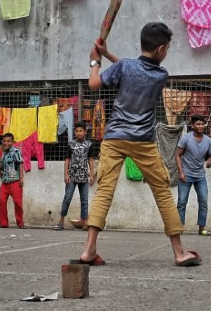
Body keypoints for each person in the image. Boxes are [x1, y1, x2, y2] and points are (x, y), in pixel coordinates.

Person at [78, 22, 201, 267]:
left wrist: (95, 62)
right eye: (167, 48)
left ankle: (89, 249)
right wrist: (106, 55)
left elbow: (95, 83)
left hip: (114, 138)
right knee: (163, 191)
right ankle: (179, 252)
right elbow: (132, 68)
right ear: (160, 49)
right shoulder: (161, 75)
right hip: (143, 142)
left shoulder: (125, 66)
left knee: (104, 191)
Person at [176, 115, 211, 236]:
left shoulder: (208, 140)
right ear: (192, 126)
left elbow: (210, 155)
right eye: (198, 124)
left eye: (202, 124)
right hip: (186, 174)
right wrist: (181, 172)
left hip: (200, 175)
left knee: (203, 201)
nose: (201, 126)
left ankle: (201, 228)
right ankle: (179, 227)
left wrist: (209, 160)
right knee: (182, 201)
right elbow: (177, 155)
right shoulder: (185, 139)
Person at [54, 121, 96, 231]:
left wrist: (92, 174)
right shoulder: (71, 144)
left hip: (83, 176)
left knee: (84, 200)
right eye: (77, 131)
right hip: (72, 176)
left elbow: (90, 160)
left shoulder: (89, 144)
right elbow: (67, 159)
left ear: (85, 132)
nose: (79, 133)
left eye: (81, 131)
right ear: (74, 132)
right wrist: (66, 174)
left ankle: (85, 223)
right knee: (67, 198)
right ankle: (61, 221)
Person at [0, 132, 25, 229]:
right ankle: (3, 223)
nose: (6, 143)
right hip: (5, 182)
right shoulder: (3, 154)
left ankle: (20, 223)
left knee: (17, 203)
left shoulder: (16, 152)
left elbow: (20, 164)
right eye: (4, 141)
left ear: (12, 142)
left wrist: (21, 178)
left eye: (8, 141)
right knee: (2, 202)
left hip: (15, 181)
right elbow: (2, 166)